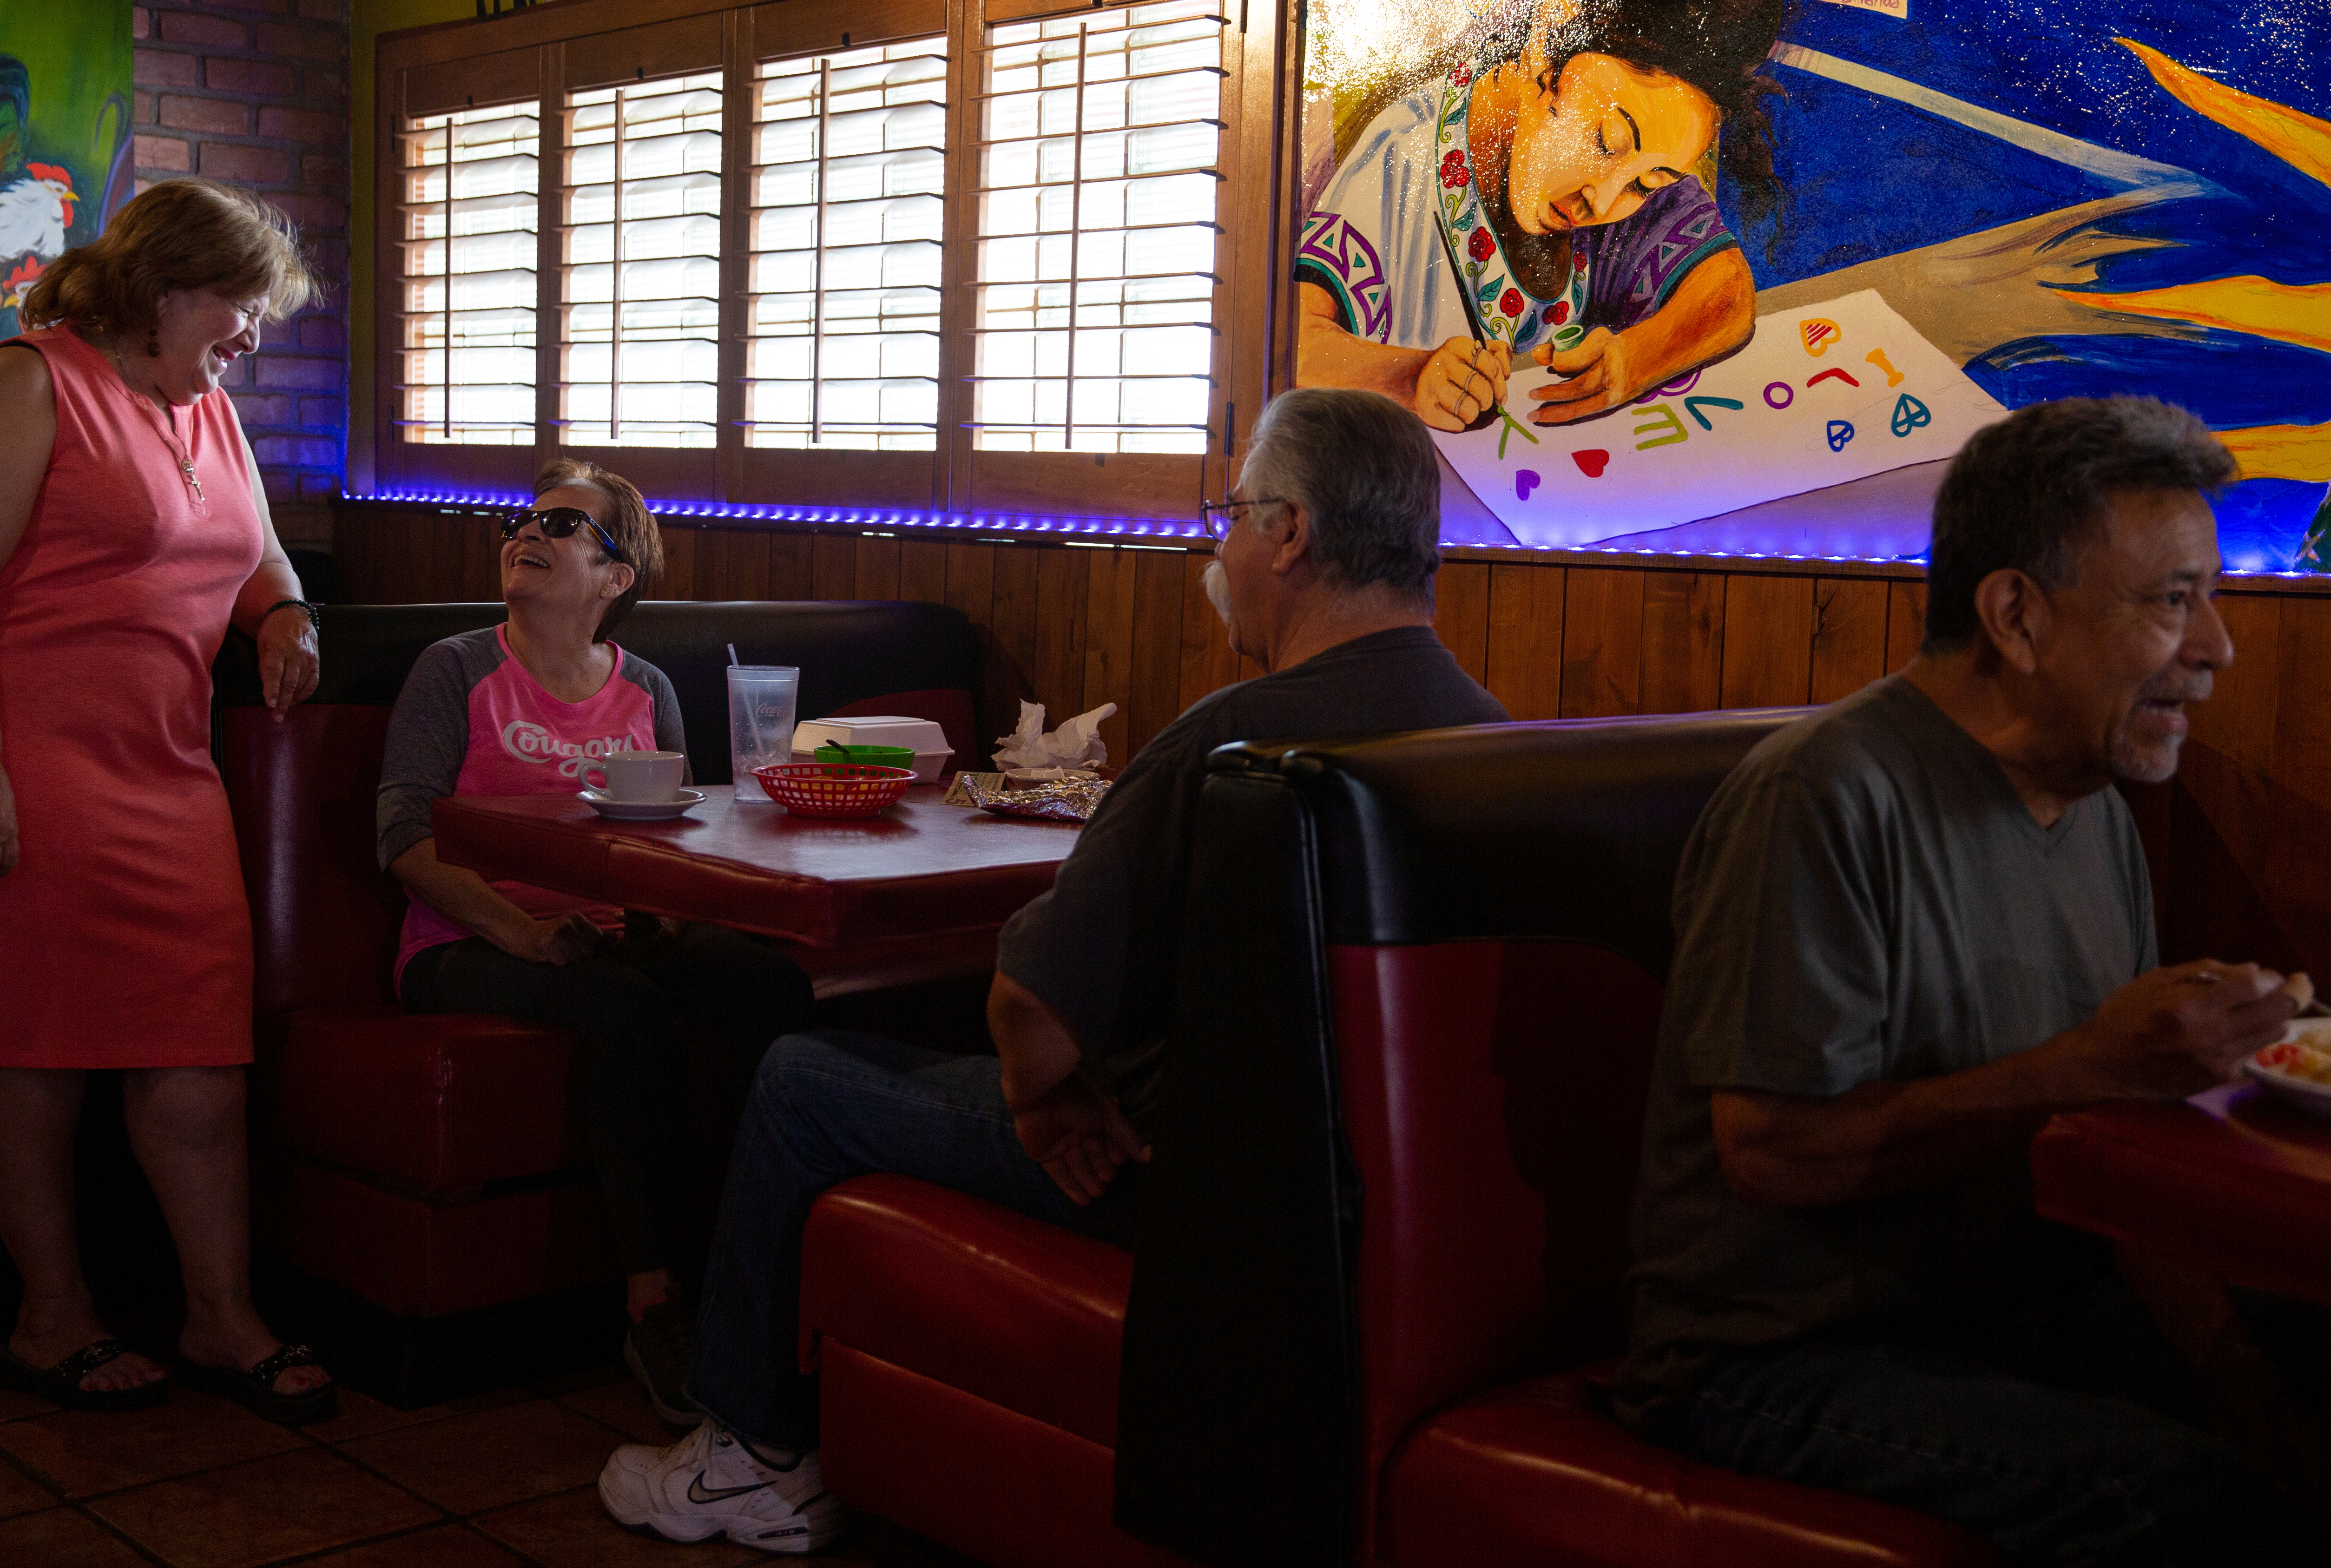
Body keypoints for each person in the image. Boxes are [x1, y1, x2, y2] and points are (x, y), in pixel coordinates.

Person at [597, 386, 1510, 1552]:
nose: (1225, 545)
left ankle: (750, 1457)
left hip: (1181, 1190)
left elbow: (1030, 1000)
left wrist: (1048, 1103)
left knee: (796, 1076)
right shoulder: (1494, 735)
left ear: (1292, 533)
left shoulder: (1229, 746)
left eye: (1236, 514)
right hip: (1399, 1217)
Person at [1614, 396, 2330, 1561]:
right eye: (2172, 600)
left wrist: (2229, 1364)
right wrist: (2090, 1065)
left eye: (2211, 597)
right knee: (2185, 1499)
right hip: (1780, 1355)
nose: (2216, 646)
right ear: (2017, 617)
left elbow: (2117, 1131)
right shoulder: (1822, 794)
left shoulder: (2095, 803)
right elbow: (1772, 1153)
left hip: (2016, 1311)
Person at [0, 177, 335, 1419]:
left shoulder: (207, 408)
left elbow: (260, 553)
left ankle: (220, 1314)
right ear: (164, 286)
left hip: (157, 759)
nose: (252, 336)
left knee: (197, 1038)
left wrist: (286, 616)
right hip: (3, 741)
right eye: (240, 305)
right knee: (28, 1034)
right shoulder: (31, 381)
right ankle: (50, 1314)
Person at [375, 458, 814, 1427]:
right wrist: (525, 932)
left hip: (611, 934)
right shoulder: (456, 668)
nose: (527, 533)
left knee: (769, 986)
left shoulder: (646, 687)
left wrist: (671, 924)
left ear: (618, 576)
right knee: (624, 1004)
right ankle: (655, 1304)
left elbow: (671, 840)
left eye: (563, 524)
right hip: (465, 939)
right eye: (521, 521)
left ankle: (762, 1274)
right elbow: (403, 838)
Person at [1296, 0, 1783, 435]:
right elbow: (1294, 342)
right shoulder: (1406, 157)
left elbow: (1727, 292)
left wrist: (1634, 360)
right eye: (1605, 142)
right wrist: (1411, 377)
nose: (1603, 202)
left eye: (1649, 182)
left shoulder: (1623, 181)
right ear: (1551, 30)